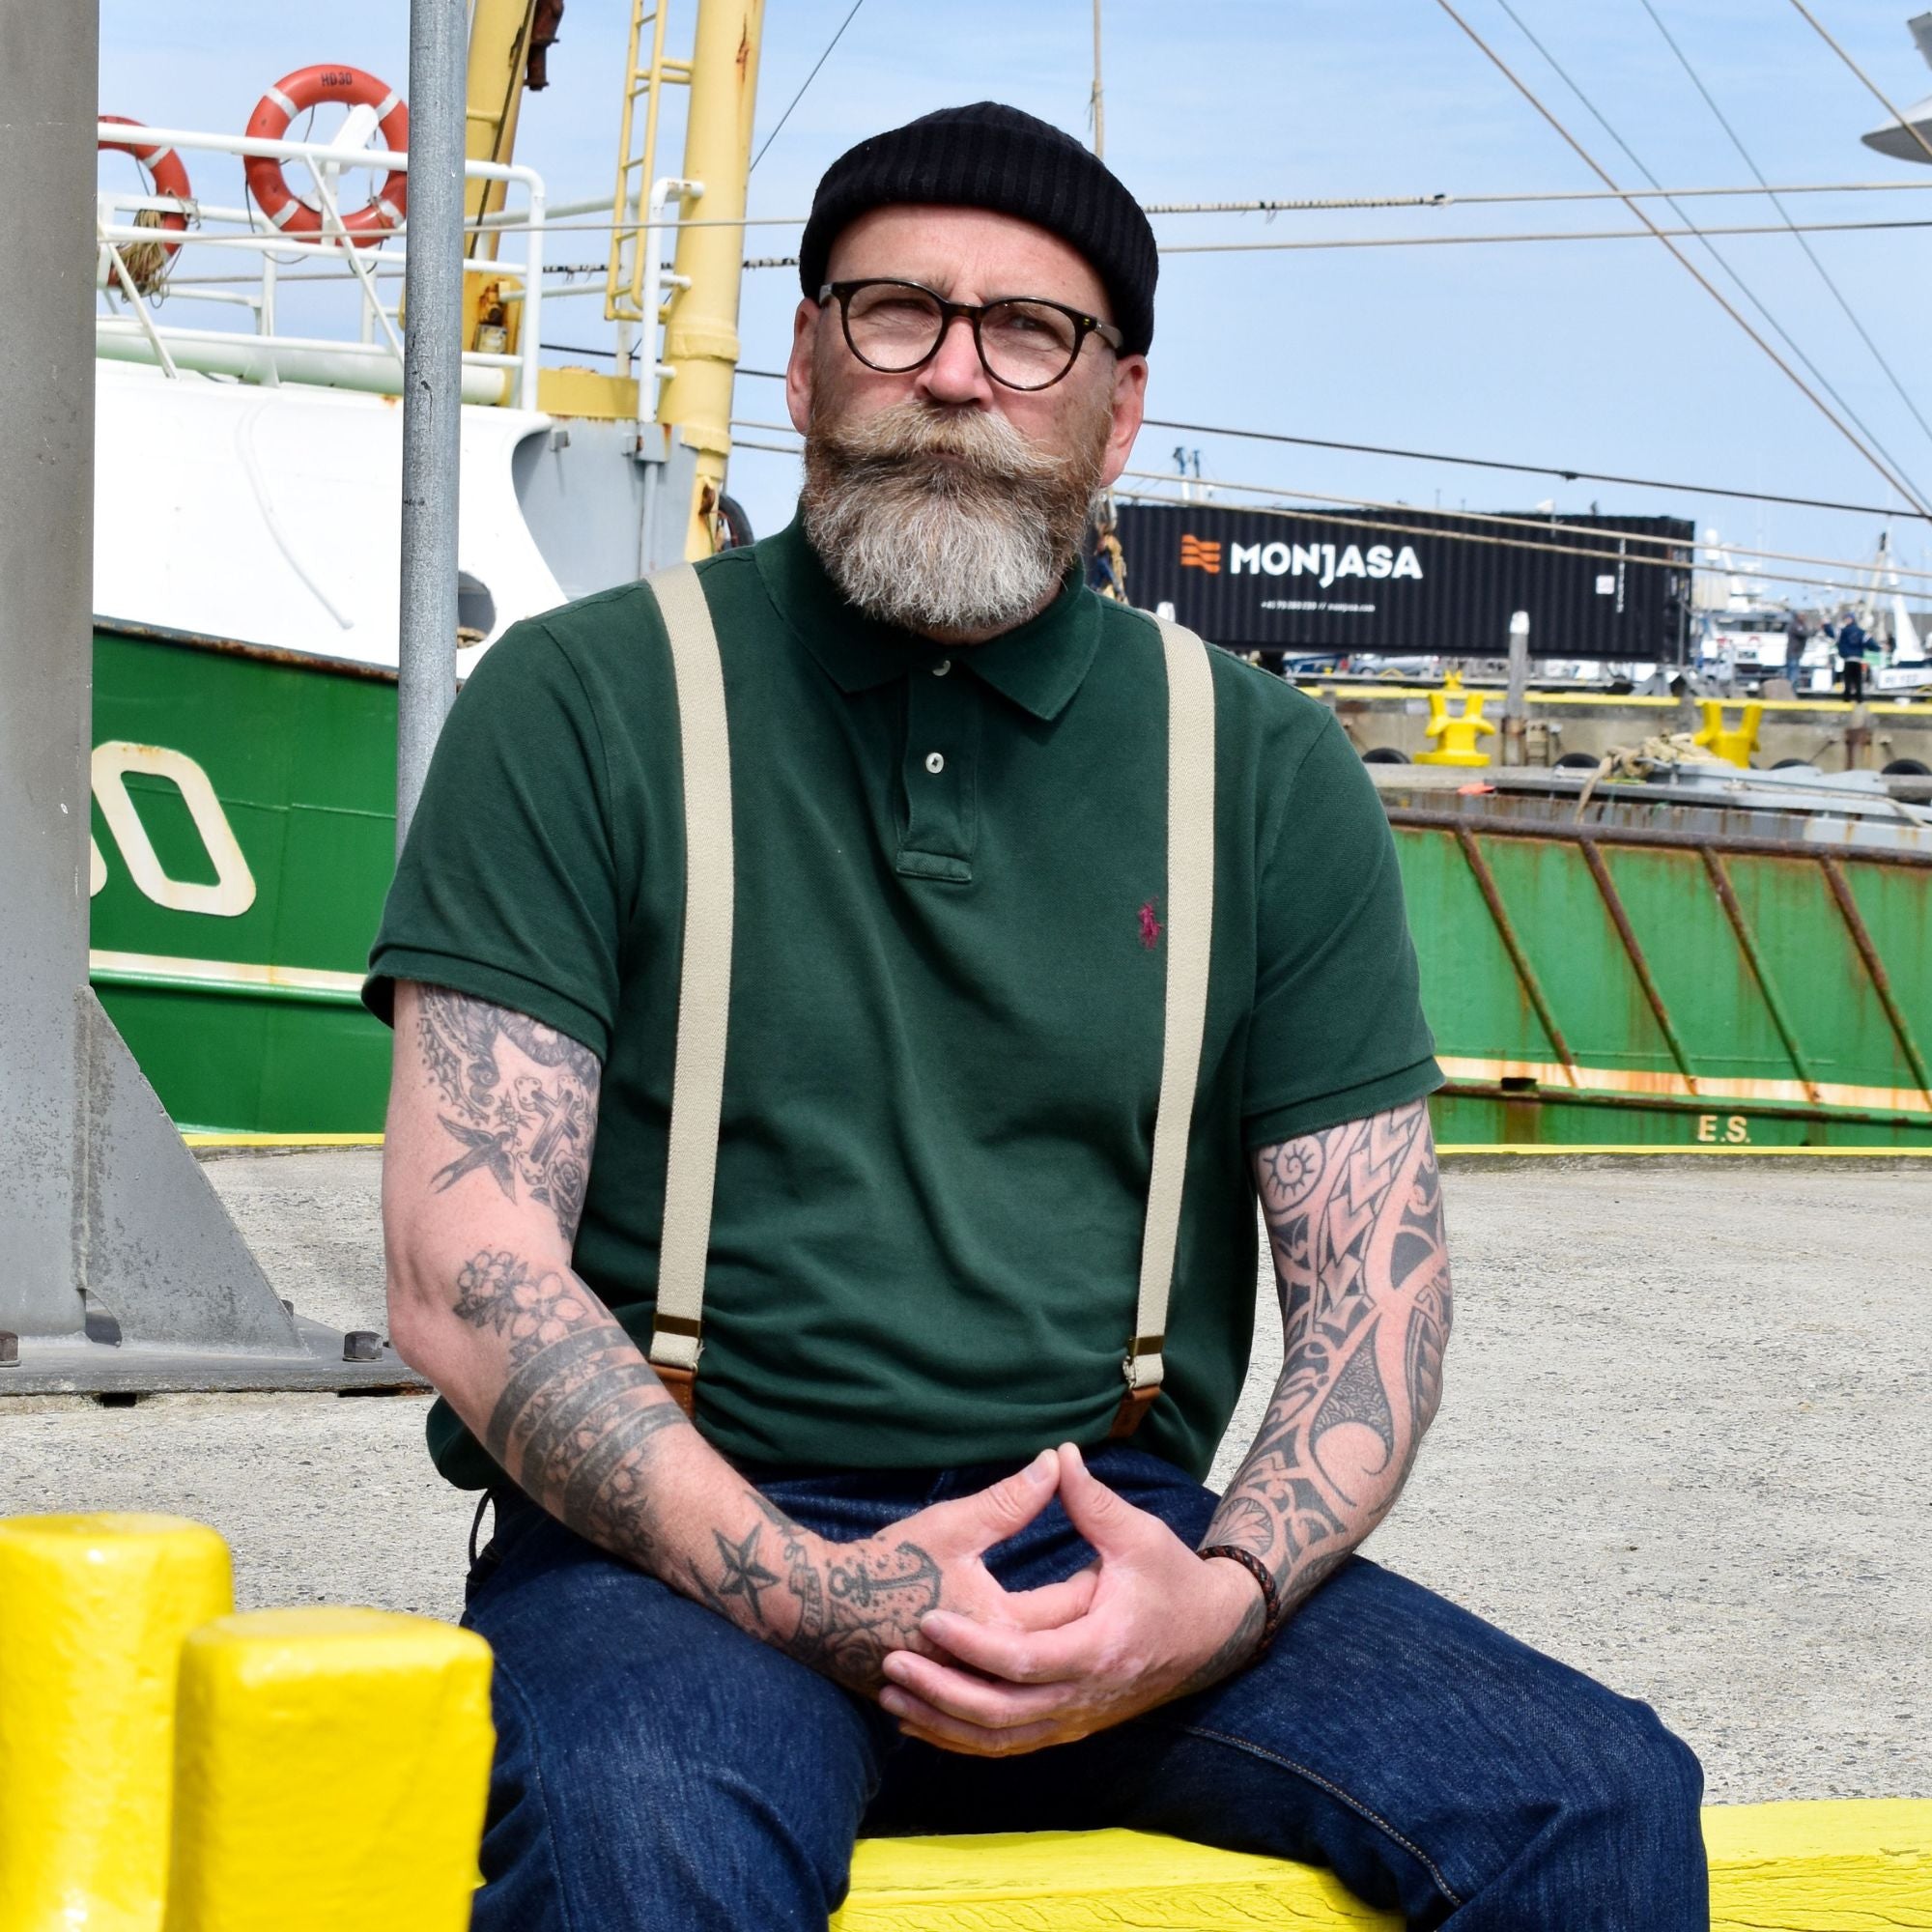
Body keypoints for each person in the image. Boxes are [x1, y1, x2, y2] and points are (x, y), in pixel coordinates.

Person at [367, 103, 1706, 1932]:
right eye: (897, 312)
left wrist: (1214, 1600)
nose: (956, 376)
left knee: (1598, 1800)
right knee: (638, 1829)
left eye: (1030, 331)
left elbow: (1377, 1307)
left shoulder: (1262, 767)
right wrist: (804, 1586)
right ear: (809, 360)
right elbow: (467, 1271)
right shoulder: (584, 701)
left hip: (1117, 1540)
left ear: (1117, 408)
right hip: (671, 1547)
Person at [1834, 612, 1872, 702]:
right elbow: (1869, 643)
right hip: (1857, 660)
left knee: (1848, 679)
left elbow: (1837, 640)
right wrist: (1879, 648)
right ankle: (1859, 698)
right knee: (1857, 680)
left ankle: (1847, 698)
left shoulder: (1844, 631)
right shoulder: (1861, 632)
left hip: (1849, 659)